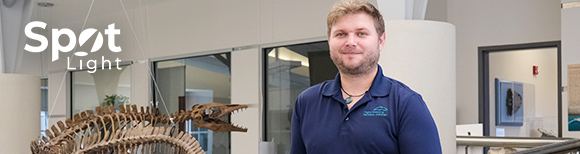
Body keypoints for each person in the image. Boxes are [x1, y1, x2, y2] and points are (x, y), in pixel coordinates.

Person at [290, 0, 442, 153]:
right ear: (329, 41)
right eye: (341, 34)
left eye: (361, 33)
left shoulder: (406, 104)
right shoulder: (307, 102)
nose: (350, 42)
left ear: (380, 41)